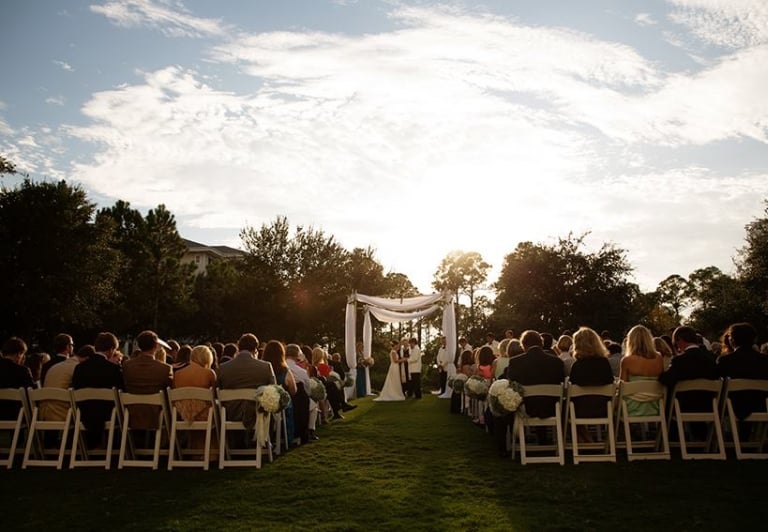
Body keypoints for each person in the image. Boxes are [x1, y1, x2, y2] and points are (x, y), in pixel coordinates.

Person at [217, 333, 276, 440]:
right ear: (255, 349)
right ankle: (265, 441)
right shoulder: (265, 366)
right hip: (257, 414)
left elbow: (218, 391)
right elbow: (274, 391)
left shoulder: (223, 368)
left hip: (230, 414)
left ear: (239, 347)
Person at [71, 333, 124, 448]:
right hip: (108, 414)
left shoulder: (79, 368)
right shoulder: (114, 369)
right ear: (111, 350)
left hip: (84, 414)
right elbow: (121, 393)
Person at [569, 327, 615, 442]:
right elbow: (610, 383)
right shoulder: (604, 364)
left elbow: (572, 389)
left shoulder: (577, 366)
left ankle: (584, 438)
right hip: (604, 408)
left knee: (565, 409)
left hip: (580, 410)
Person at [122, 330, 174, 431]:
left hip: (132, 413)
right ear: (155, 346)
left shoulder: (127, 366)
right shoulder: (165, 369)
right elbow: (169, 389)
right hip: (156, 414)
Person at [716, 322, 768, 421]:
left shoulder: (725, 360)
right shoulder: (765, 360)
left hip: (732, 407)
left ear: (731, 340)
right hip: (762, 406)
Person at [619, 325, 664, 417]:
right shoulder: (659, 358)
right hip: (655, 405)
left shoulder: (627, 361)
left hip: (632, 407)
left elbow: (622, 387)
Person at [0, 337, 34, 421]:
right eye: (23, 354)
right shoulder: (22, 371)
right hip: (17, 416)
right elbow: (31, 393)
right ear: (19, 354)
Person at [285, 343, 313, 444]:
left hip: (284, 400)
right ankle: (305, 433)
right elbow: (308, 390)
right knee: (307, 398)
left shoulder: (280, 367)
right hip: (298, 402)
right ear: (297, 355)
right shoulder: (300, 371)